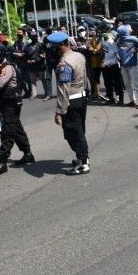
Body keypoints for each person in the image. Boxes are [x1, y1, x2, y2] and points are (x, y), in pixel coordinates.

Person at [0, 41, 35, 176]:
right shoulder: (0, 66)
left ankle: (2, 162)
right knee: (17, 130)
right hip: (5, 103)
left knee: (8, 132)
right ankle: (28, 154)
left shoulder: (7, 67)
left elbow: (0, 84)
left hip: (11, 103)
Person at [48, 31, 90, 175]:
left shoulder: (64, 63)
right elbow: (85, 78)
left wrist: (59, 111)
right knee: (80, 130)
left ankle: (83, 163)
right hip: (82, 98)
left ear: (61, 45)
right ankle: (82, 158)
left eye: (54, 47)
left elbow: (64, 89)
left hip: (71, 101)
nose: (53, 49)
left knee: (73, 132)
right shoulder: (79, 55)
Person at [116, 25, 138, 108]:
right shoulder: (119, 40)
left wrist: (136, 50)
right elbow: (117, 48)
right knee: (127, 84)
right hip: (123, 65)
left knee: (136, 83)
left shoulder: (133, 39)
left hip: (132, 64)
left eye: (120, 32)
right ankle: (132, 100)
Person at [101, 31, 124, 105]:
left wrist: (118, 60)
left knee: (117, 82)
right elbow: (104, 51)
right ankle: (111, 98)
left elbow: (117, 54)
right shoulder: (103, 40)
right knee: (107, 83)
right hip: (106, 65)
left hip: (113, 65)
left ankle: (120, 99)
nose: (104, 37)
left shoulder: (112, 43)